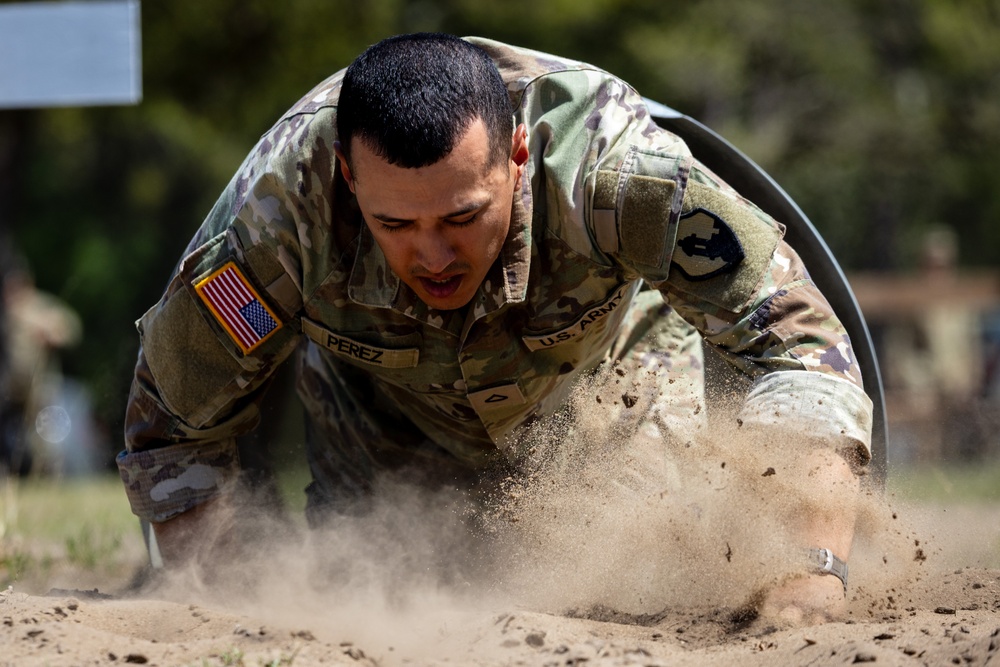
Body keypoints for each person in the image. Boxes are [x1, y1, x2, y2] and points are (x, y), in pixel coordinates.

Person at [117, 34, 873, 624]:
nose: (434, 255)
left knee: (638, 592)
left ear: (516, 158)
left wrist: (810, 563)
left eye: (462, 215)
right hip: (381, 424)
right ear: (350, 180)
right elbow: (175, 430)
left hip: (607, 392)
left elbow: (801, 344)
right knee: (364, 606)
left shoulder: (616, 171)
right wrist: (239, 595)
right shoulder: (276, 217)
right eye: (396, 224)